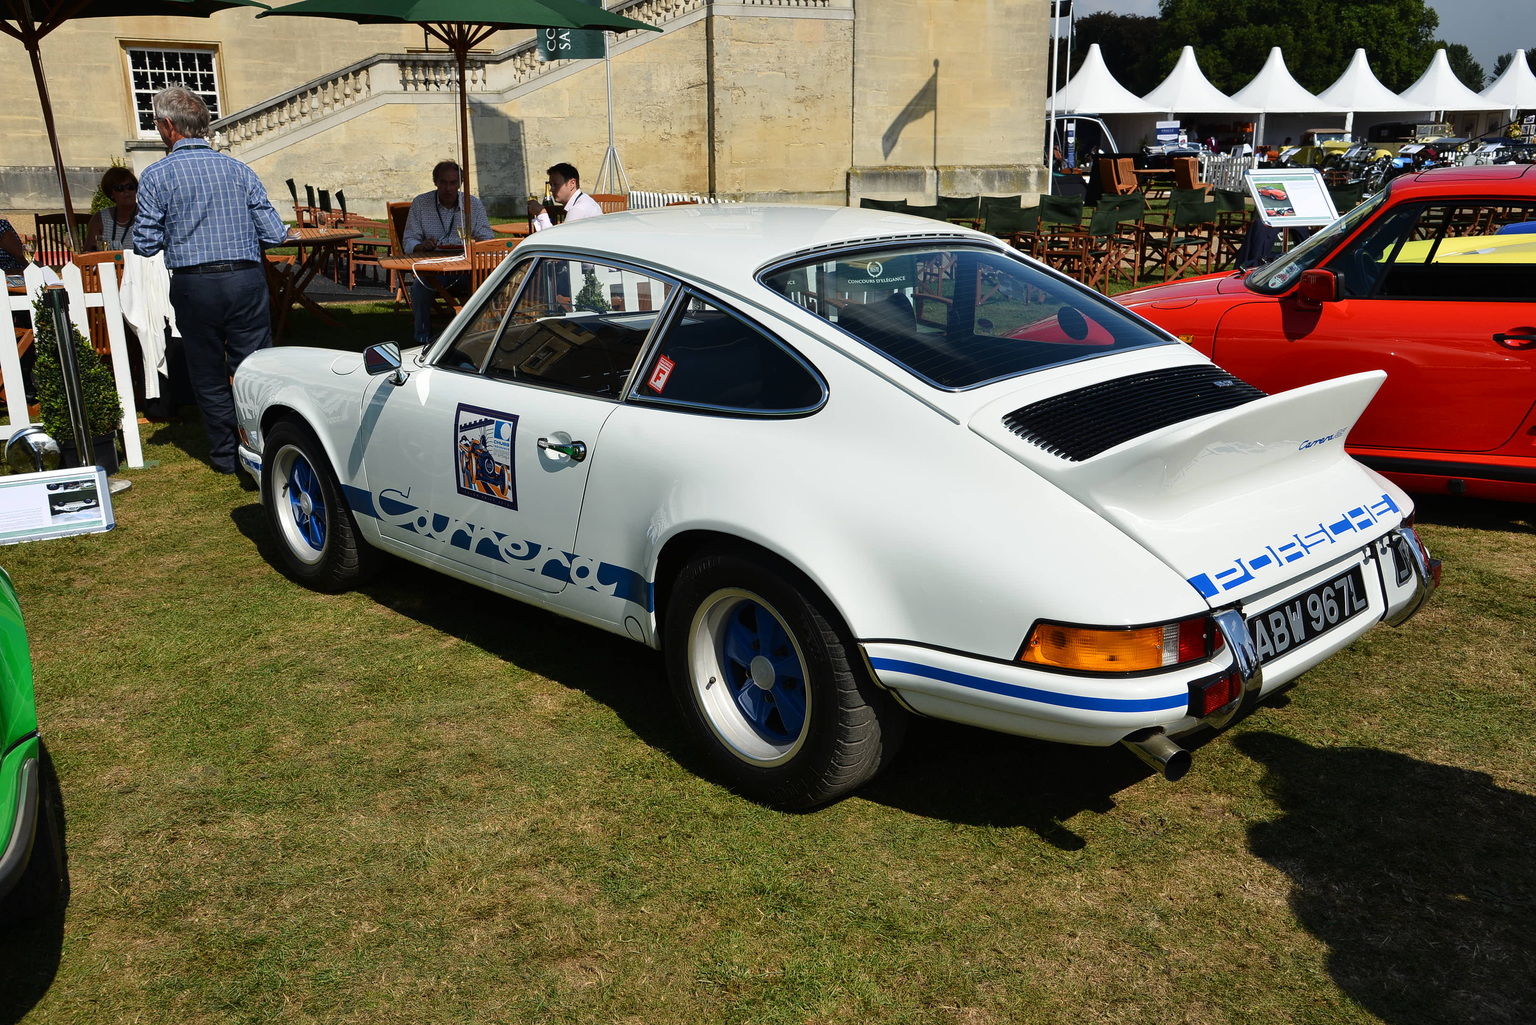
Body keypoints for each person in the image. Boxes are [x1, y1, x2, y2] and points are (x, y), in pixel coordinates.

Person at [132, 85, 288, 475]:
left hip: (195, 283)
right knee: (254, 368)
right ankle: (262, 447)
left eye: (156, 123)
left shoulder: (155, 175)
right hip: (245, 278)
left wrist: (180, 228)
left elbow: (146, 243)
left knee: (207, 371)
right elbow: (274, 234)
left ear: (169, 126)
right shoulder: (240, 170)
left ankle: (224, 455)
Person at [402, 160, 494, 348]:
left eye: (453, 183)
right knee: (420, 286)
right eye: (443, 182)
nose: (448, 188)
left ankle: (479, 333)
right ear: (435, 182)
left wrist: (475, 243)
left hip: (466, 269)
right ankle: (422, 338)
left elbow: (488, 238)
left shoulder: (472, 205)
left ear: (459, 184)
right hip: (434, 269)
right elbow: (408, 240)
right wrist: (421, 246)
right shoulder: (421, 203)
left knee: (489, 281)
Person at [527, 163, 603, 231]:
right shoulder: (584, 199)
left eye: (556, 184)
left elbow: (556, 243)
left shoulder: (578, 209)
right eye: (551, 185)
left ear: (572, 184)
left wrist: (541, 214)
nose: (551, 189)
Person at [86, 167, 139, 251]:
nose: (126, 191)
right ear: (111, 193)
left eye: (130, 186)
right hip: (108, 263)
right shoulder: (100, 218)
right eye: (119, 188)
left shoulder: (147, 215)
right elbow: (89, 252)